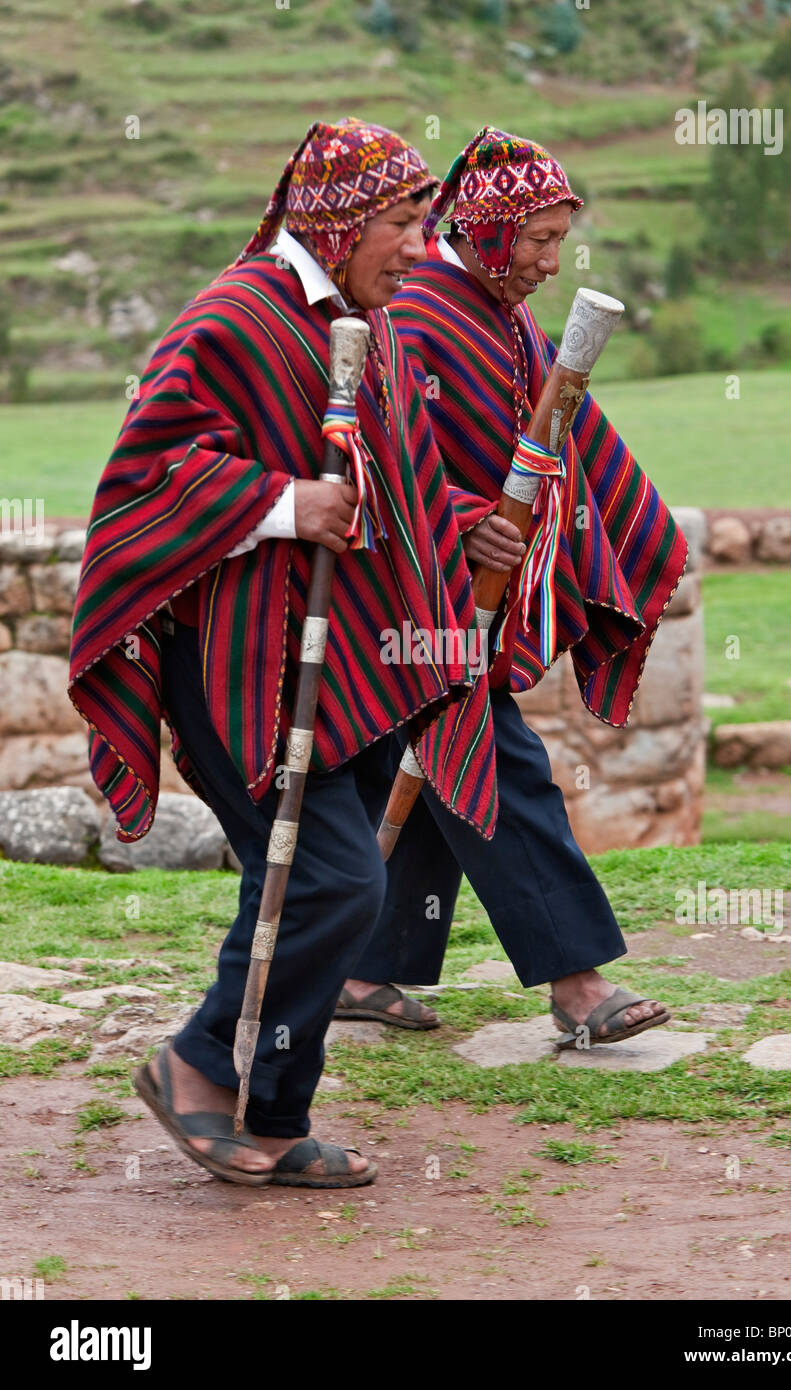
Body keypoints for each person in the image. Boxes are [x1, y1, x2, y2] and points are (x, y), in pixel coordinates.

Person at [68, 119, 496, 1188]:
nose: (416, 246)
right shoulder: (235, 318)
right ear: (343, 217)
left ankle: (267, 1107)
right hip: (235, 667)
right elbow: (142, 478)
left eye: (422, 222)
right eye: (403, 222)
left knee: (316, 880)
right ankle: (197, 1064)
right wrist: (278, 502)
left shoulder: (368, 323)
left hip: (334, 665)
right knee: (334, 878)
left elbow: (390, 486)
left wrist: (457, 549)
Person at [337, 128, 688, 1048]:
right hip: (410, 597)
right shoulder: (414, 311)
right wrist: (458, 517)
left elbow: (560, 434)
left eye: (557, 244)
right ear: (487, 228)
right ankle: (578, 985)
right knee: (489, 760)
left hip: (470, 599)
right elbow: (370, 443)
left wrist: (632, 526)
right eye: (532, 239)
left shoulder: (499, 309)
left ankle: (363, 970)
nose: (545, 262)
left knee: (434, 773)